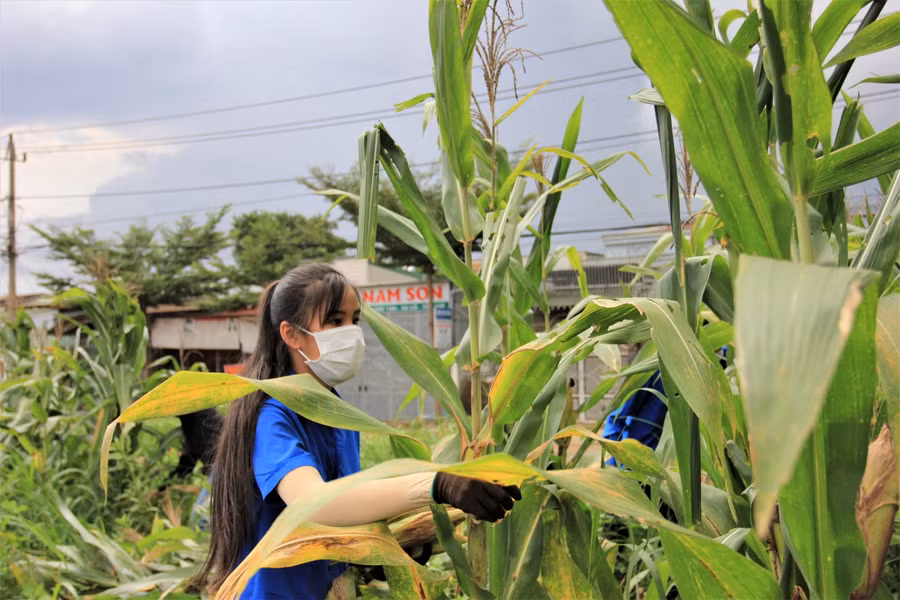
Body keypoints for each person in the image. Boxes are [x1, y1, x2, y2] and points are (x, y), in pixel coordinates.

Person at [193, 264, 520, 599]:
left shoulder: (335, 412)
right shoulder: (271, 418)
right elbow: (315, 503)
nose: (350, 332)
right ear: (291, 334)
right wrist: (439, 484)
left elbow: (349, 507)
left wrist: (384, 550)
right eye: (335, 321)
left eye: (355, 320)